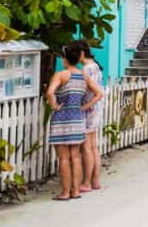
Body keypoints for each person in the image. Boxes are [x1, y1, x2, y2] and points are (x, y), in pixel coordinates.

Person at [45, 45, 104, 201]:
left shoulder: (61, 75)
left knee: (64, 158)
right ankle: (76, 191)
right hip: (78, 118)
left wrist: (55, 106)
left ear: (65, 59)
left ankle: (65, 192)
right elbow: (99, 93)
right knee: (76, 157)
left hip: (62, 119)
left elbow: (50, 92)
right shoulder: (83, 75)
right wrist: (83, 107)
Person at [74, 40, 104, 193]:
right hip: (97, 109)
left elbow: (93, 91)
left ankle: (86, 182)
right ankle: (95, 180)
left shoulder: (86, 69)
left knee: (86, 147)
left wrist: (84, 106)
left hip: (89, 108)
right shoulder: (96, 66)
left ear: (81, 53)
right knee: (93, 147)